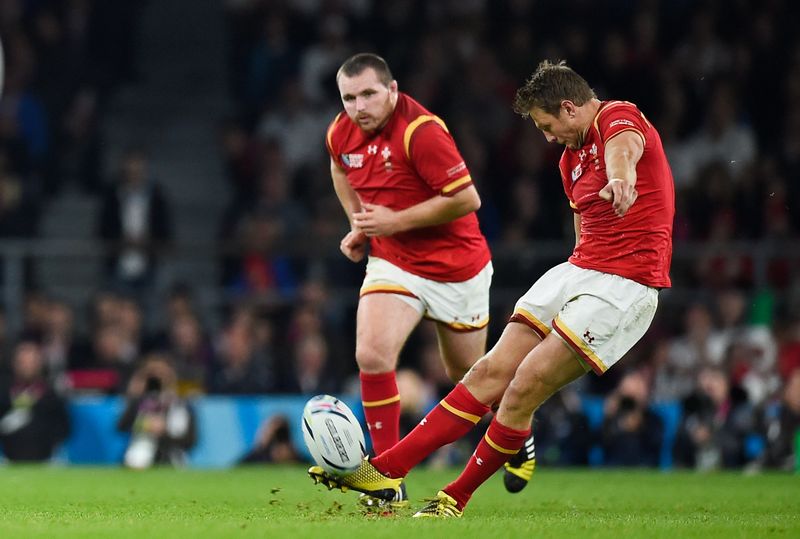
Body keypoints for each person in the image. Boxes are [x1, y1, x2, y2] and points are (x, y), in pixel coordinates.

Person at [309, 59, 675, 518]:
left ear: (569, 108)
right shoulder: (568, 160)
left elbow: (625, 149)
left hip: (627, 283)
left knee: (522, 387)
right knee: (484, 375)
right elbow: (582, 223)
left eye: (547, 125)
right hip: (580, 270)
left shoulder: (616, 117)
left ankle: (453, 497)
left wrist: (622, 178)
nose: (546, 137)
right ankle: (384, 469)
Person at [324, 53, 535, 503]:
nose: (359, 106)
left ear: (393, 90)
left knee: (467, 376)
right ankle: (386, 480)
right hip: (394, 262)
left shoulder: (421, 132)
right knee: (372, 354)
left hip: (457, 269)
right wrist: (359, 225)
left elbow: (467, 198)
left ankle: (517, 429)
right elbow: (339, 168)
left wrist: (392, 221)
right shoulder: (340, 132)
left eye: (368, 94)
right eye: (349, 98)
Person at [117, 354, 197, 469]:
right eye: (152, 373)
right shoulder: (140, 401)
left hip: (172, 457)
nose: (158, 378)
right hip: (140, 456)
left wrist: (164, 431)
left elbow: (191, 440)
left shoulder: (181, 404)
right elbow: (121, 426)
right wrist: (143, 424)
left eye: (162, 373)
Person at [0, 340, 70, 462]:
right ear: (14, 364)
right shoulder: (4, 394)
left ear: (39, 364)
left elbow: (63, 427)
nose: (27, 366)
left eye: (31, 362)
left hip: (46, 459)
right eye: (22, 362)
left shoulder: (50, 395)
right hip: (8, 459)